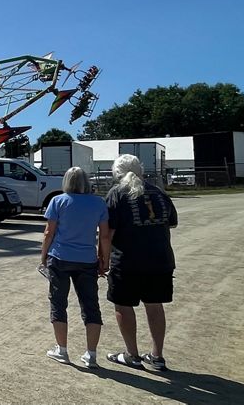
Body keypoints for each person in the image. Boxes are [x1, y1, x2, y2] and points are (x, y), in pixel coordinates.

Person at [103, 154, 178, 372]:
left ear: (117, 173)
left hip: (127, 261)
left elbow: (108, 232)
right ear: (140, 171)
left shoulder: (117, 194)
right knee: (155, 306)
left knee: (123, 306)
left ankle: (132, 354)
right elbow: (172, 223)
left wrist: (103, 260)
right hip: (160, 259)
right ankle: (157, 356)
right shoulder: (159, 193)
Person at [40, 167, 110, 368]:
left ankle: (62, 350)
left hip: (60, 258)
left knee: (58, 302)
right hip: (87, 259)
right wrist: (104, 259)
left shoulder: (58, 201)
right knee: (90, 305)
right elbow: (104, 236)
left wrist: (43, 257)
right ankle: (91, 354)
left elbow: (48, 233)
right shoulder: (98, 203)